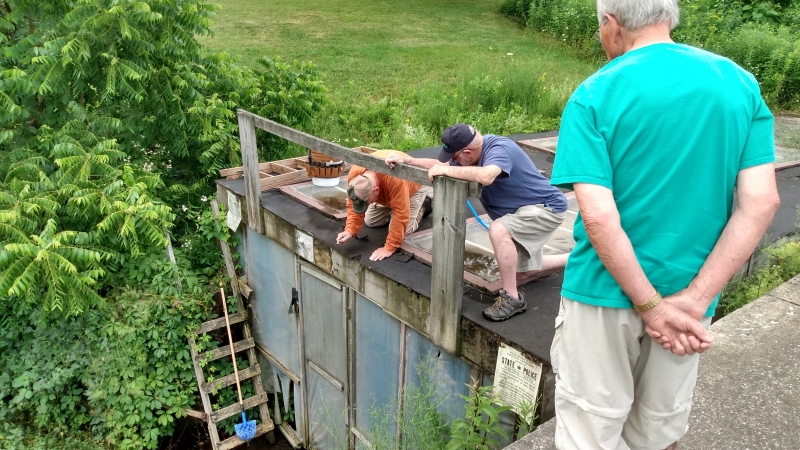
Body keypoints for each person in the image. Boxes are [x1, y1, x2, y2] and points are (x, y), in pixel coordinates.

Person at [548, 0, 781, 448]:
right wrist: (695, 299)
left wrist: (650, 305)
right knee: (660, 429)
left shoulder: (595, 93)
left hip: (602, 293)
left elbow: (597, 215)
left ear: (611, 25)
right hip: (690, 298)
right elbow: (762, 202)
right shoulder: (740, 84)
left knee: (589, 432)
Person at [385, 123, 569, 321]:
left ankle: (512, 299)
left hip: (545, 208)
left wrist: (446, 172)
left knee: (499, 230)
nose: (452, 163)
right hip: (520, 212)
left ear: (467, 153)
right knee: (523, 273)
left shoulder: (499, 148)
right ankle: (577, 258)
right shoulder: (472, 154)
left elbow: (486, 175)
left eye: (455, 158)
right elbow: (444, 166)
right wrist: (407, 160)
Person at [337, 149, 433, 262]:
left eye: (367, 203)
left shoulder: (395, 180)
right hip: (389, 192)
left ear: (376, 190)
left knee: (404, 229)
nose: (366, 206)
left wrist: (389, 248)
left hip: (412, 185)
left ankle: (424, 206)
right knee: (371, 222)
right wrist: (350, 229)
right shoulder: (355, 176)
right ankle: (391, 205)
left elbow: (401, 214)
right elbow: (353, 202)